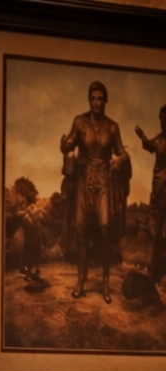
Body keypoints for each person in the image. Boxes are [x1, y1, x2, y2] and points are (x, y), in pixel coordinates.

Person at [61, 80, 131, 302]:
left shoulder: (112, 127)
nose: (97, 102)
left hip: (104, 182)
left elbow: (121, 152)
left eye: (101, 99)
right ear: (89, 100)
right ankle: (81, 283)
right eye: (93, 98)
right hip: (84, 180)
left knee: (104, 230)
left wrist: (121, 160)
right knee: (81, 231)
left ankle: (106, 285)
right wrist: (65, 146)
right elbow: (69, 144)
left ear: (105, 101)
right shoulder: (80, 122)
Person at [137, 104, 166, 283]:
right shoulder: (159, 140)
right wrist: (142, 137)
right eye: (161, 120)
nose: (163, 123)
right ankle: (155, 273)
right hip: (160, 191)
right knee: (157, 233)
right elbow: (148, 145)